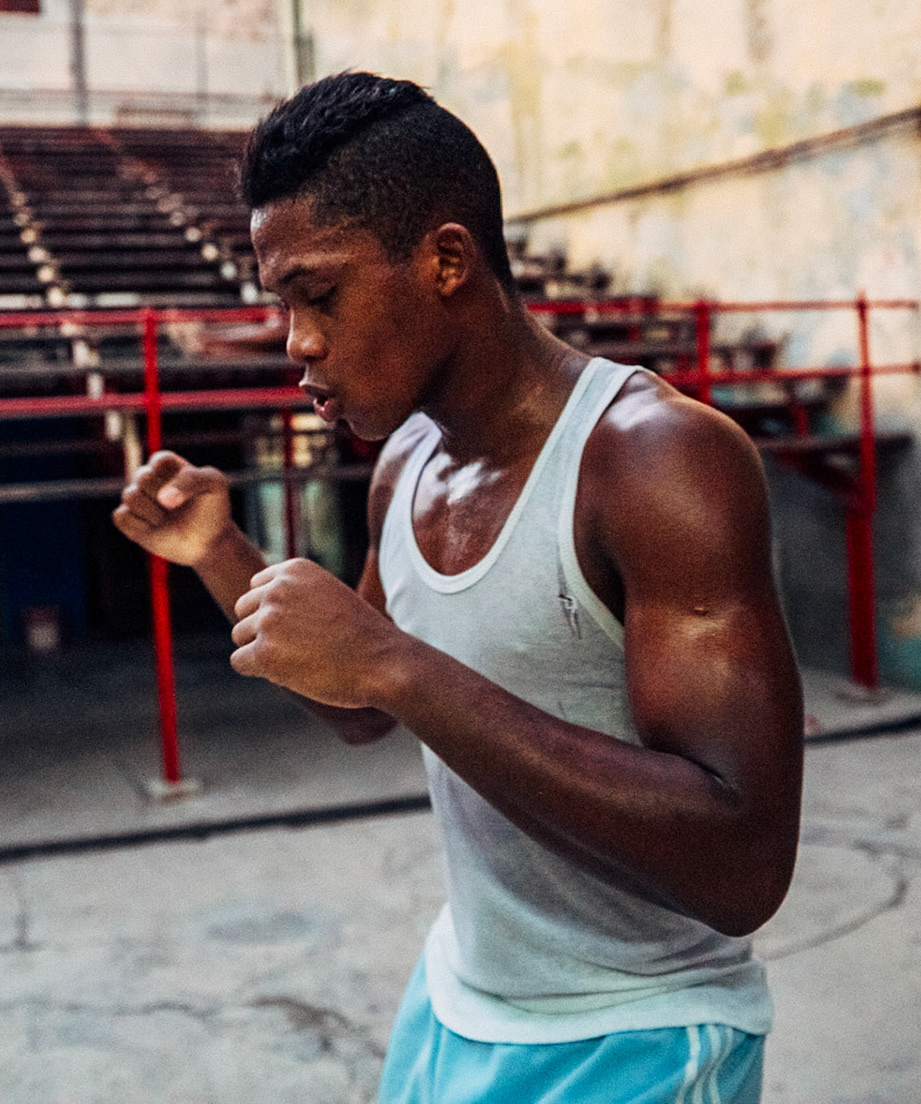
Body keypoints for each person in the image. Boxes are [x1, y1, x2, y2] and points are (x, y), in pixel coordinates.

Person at [113, 72, 803, 1103]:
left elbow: (742, 865)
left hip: (640, 1032)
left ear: (445, 260)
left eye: (322, 295)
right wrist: (223, 554)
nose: (298, 341)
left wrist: (397, 663)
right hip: (457, 997)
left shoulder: (659, 462)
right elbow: (361, 703)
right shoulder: (406, 464)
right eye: (283, 304)